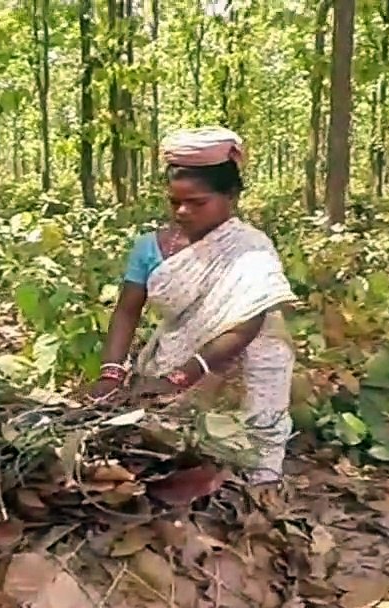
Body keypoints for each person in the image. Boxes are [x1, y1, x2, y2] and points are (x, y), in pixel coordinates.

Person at [87, 126, 299, 489]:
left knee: (247, 440)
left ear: (230, 196)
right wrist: (111, 373)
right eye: (174, 202)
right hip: (175, 353)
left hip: (241, 358)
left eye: (197, 203)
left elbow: (246, 324)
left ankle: (255, 478)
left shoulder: (251, 248)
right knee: (159, 446)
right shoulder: (149, 247)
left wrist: (180, 378)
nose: (183, 211)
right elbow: (127, 311)